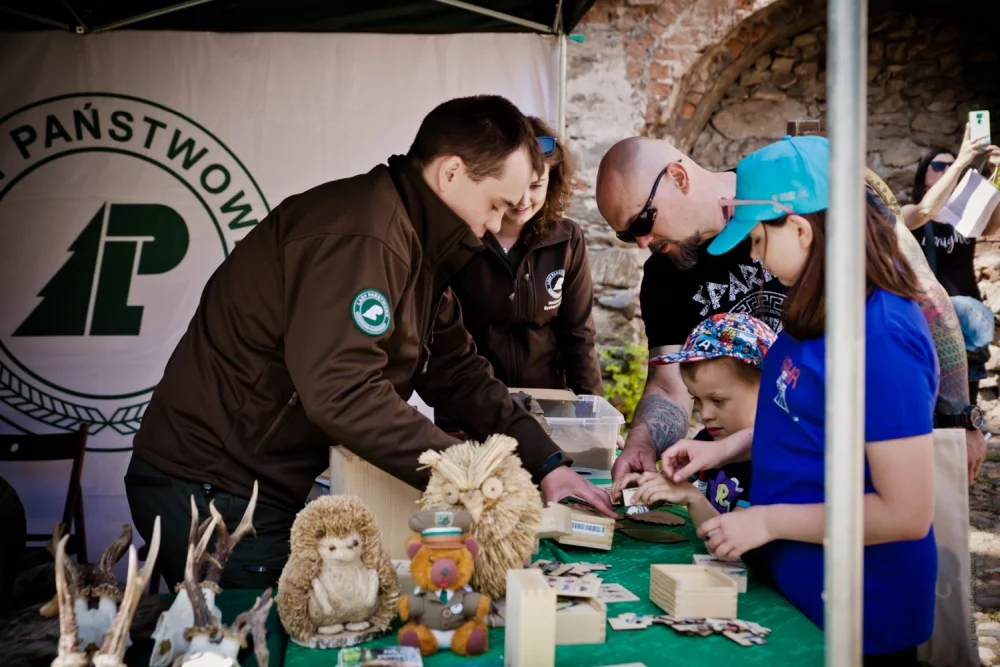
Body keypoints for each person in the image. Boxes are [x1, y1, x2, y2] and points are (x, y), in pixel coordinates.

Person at [126, 95, 616, 592]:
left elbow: (459, 373)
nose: (495, 225)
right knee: (269, 634)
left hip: (252, 484)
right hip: (210, 487)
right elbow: (343, 390)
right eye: (494, 205)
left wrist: (546, 461)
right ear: (451, 173)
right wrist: (470, 476)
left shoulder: (419, 244)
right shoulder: (363, 236)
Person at [596, 136, 987, 487]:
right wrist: (643, 444)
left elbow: (925, 296)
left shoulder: (796, 188)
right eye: (626, 234)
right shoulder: (666, 275)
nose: (642, 241)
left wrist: (958, 419)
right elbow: (669, 385)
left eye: (643, 220)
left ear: (679, 178)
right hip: (768, 460)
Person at [696, 136, 938, 665]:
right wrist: (723, 450)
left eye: (759, 241)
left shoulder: (882, 337)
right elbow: (806, 424)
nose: (756, 260)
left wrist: (767, 522)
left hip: (861, 616)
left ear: (802, 230)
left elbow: (906, 513)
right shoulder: (811, 311)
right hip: (796, 595)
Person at [446, 117, 602, 401]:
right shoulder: (459, 239)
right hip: (474, 405)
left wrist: (592, 407)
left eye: (536, 186)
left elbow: (578, 334)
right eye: (515, 185)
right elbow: (445, 338)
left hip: (549, 404)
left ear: (551, 183)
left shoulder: (566, 240)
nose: (522, 200)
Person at [611, 312, 775, 529]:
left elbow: (730, 540)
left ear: (765, 390)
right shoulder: (709, 439)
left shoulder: (771, 461)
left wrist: (693, 498)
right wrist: (643, 488)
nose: (705, 414)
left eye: (718, 400)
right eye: (697, 399)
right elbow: (672, 488)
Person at [903, 126, 999, 400]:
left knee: (964, 409)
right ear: (923, 177)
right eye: (939, 165)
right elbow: (923, 211)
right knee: (932, 404)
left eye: (950, 164)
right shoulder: (910, 213)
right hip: (929, 323)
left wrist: (999, 173)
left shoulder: (965, 216)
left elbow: (995, 226)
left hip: (966, 326)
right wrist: (960, 162)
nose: (947, 169)